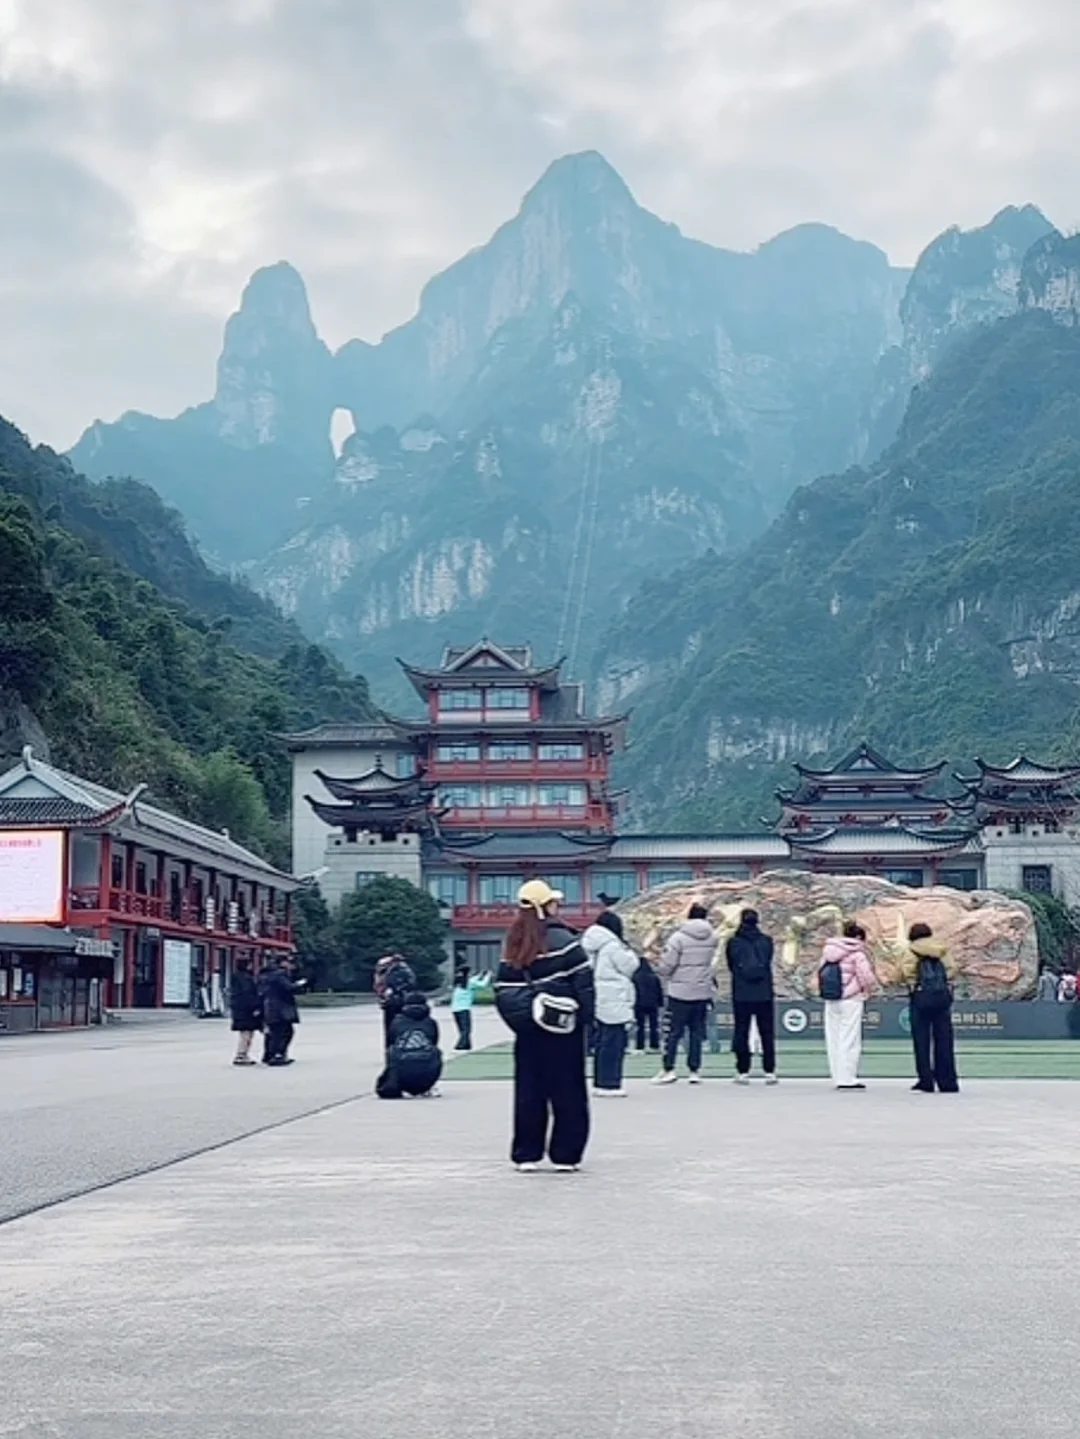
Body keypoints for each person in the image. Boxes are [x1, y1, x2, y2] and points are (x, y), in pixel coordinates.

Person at [493, 879, 595, 1172]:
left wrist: (524, 1021)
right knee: (569, 1091)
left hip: (528, 1031)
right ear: (546, 906)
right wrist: (586, 1022)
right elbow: (584, 987)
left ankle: (527, 1153)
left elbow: (504, 990)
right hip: (565, 1028)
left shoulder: (512, 943)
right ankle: (566, 1154)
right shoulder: (566, 942)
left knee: (529, 1091)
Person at [653, 903, 718, 1085]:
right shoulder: (712, 937)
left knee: (673, 1033)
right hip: (702, 990)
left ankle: (669, 1068)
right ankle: (694, 1071)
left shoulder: (678, 938)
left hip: (679, 992)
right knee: (696, 1032)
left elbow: (667, 965)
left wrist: (663, 972)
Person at [582, 910, 639, 1096]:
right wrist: (630, 951)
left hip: (597, 994)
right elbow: (630, 966)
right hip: (614, 996)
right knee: (615, 1042)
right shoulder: (613, 946)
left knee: (602, 1041)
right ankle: (611, 1083)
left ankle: (600, 1082)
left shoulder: (589, 944)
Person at [900, 922, 959, 1093]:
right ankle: (947, 1081)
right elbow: (952, 969)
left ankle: (926, 1080)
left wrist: (912, 984)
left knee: (921, 1040)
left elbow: (903, 973)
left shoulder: (910, 950)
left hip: (920, 998)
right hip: (941, 998)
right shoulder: (941, 949)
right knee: (945, 1039)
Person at [818, 922, 877, 1089]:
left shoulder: (828, 951)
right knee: (849, 1039)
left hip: (831, 998)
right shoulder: (858, 954)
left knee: (833, 1038)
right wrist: (867, 988)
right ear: (859, 937)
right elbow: (866, 976)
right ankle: (847, 1077)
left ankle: (837, 1076)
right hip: (851, 999)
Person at [727, 908, 777, 1084]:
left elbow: (731, 965)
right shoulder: (767, 942)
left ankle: (742, 1071)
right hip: (764, 992)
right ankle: (769, 1071)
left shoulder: (733, 942)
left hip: (742, 993)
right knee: (767, 1032)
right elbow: (768, 961)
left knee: (741, 1031)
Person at [378, 991, 443, 1098]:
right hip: (427, 1067)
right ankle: (428, 1086)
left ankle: (397, 1082)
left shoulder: (396, 1022)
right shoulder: (431, 1023)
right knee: (435, 1052)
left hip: (401, 1066)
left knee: (392, 1052)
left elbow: (391, 1042)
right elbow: (434, 1042)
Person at [259, 956, 307, 1066]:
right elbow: (288, 988)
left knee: (273, 1032)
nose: (291, 965)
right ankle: (278, 1054)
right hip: (281, 1008)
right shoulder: (280, 974)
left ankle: (269, 1055)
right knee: (284, 1032)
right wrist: (299, 984)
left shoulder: (267, 974)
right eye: (289, 962)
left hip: (270, 1006)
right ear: (283, 963)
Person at [374, 952, 416, 1050]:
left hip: (394, 1002)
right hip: (397, 1002)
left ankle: (392, 1048)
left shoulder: (394, 972)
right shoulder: (402, 971)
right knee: (398, 1026)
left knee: (391, 1026)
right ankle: (397, 1046)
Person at [228, 956, 262, 1066]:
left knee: (245, 1032)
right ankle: (241, 1055)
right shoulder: (246, 979)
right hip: (246, 1010)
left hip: (238, 1008)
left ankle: (243, 1054)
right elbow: (248, 994)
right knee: (246, 1032)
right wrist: (255, 1007)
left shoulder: (236, 977)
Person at [450, 965, 489, 1050]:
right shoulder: (469, 982)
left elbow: (473, 980)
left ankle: (467, 1045)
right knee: (466, 1029)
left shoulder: (458, 982)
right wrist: (487, 976)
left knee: (461, 1029)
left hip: (455, 1009)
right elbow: (483, 985)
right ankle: (460, 1045)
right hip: (464, 1008)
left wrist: (480, 975)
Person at [632, 953, 664, 1053]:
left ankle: (640, 1046)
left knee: (640, 1026)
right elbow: (659, 991)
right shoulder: (654, 977)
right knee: (654, 1026)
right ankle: (654, 1045)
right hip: (652, 1004)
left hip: (639, 1004)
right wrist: (660, 1003)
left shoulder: (635, 977)